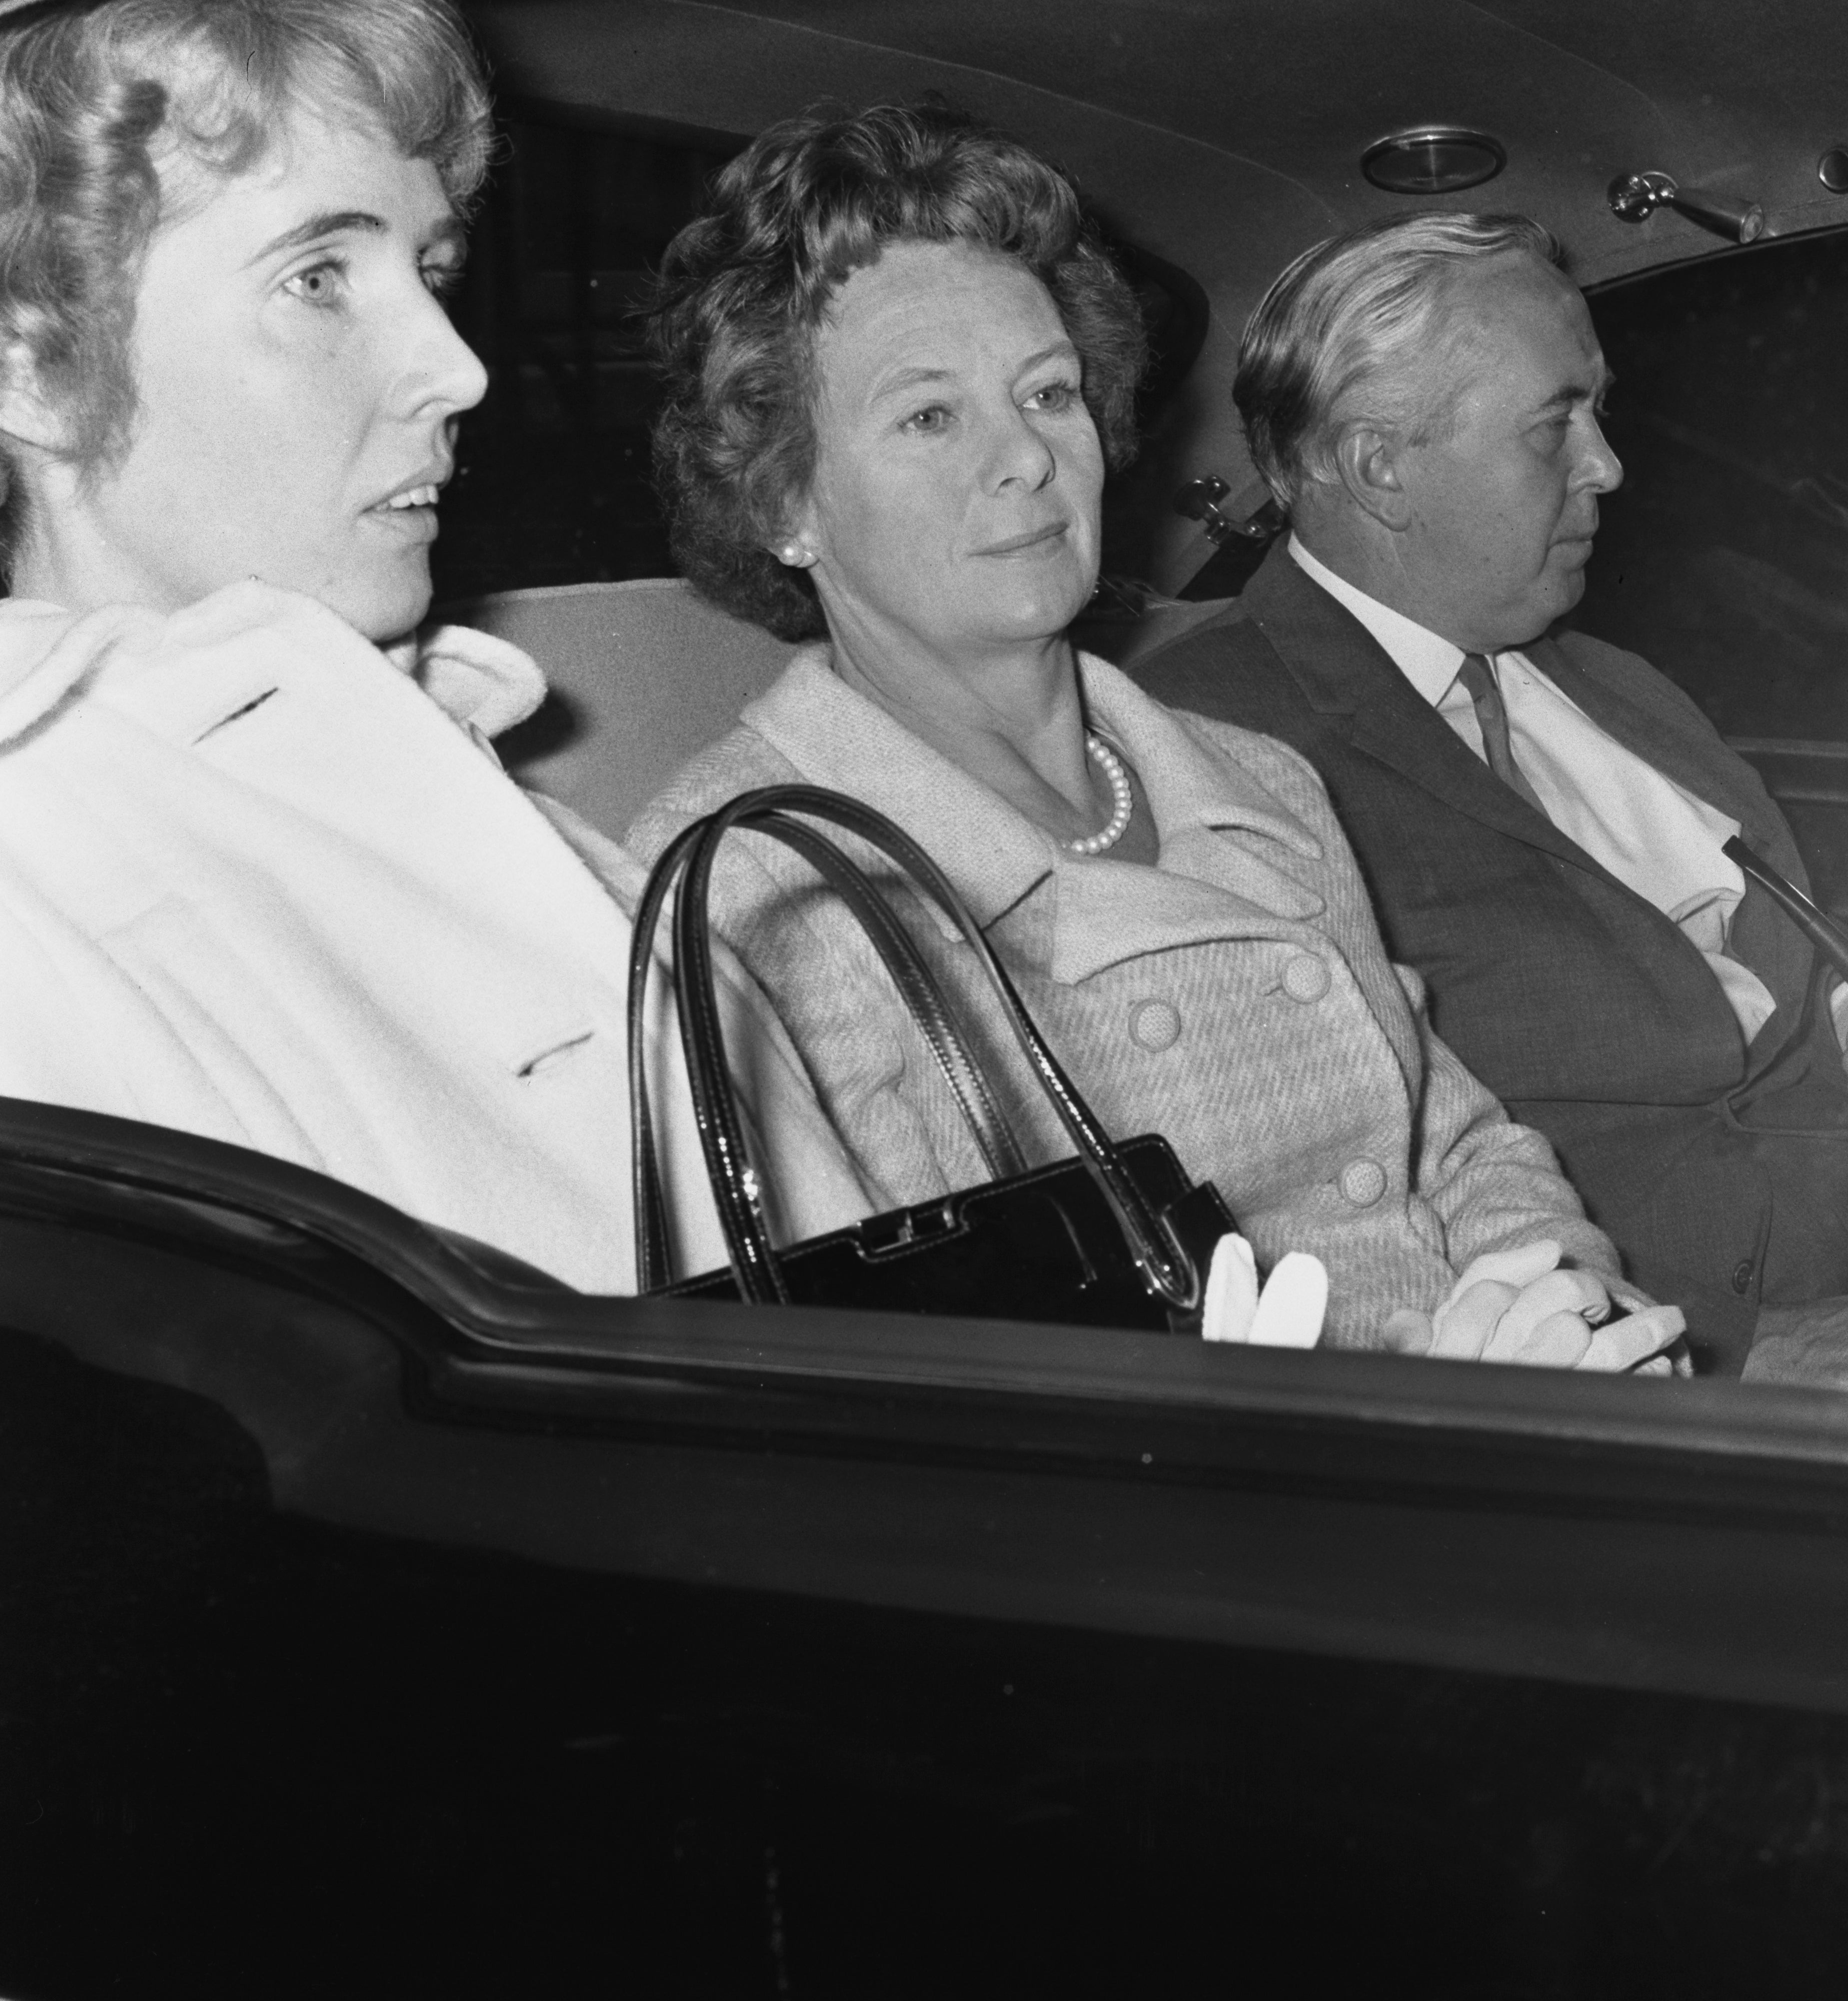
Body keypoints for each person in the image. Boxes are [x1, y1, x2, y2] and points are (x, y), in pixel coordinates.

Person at [628, 101, 1684, 1369]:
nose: (1024, 455)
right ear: (784, 499)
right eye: (929, 416)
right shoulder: (754, 886)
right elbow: (946, 1380)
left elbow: (1456, 1145)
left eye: (1048, 392)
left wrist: (1559, 1303)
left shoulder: (1254, 780)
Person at [0, 0, 868, 1291]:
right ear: (36, 371)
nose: (458, 368)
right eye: (317, 280)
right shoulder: (37, 906)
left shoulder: (518, 828)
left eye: (432, 266)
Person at [1136, 213, 1848, 1383]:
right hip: (1663, 1375)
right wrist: (1737, 1364)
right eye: (1553, 425)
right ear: (1379, 466)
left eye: (1597, 410)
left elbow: (1770, 1010)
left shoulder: (1616, 688)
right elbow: (1300, 1206)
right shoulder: (1202, 740)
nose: (1606, 465)